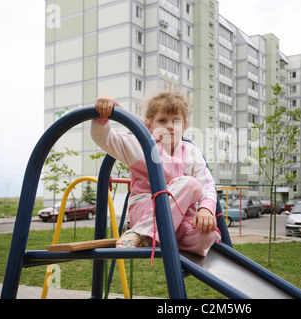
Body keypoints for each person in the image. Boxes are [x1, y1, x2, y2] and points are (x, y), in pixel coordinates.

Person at [91, 91, 220, 257]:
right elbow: (105, 138)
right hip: (146, 210)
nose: (170, 126)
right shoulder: (140, 146)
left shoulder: (192, 152)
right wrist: (103, 116)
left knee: (207, 234)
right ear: (149, 125)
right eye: (162, 120)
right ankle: (143, 234)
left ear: (185, 126)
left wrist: (206, 209)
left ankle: (180, 255)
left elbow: (207, 183)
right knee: (190, 183)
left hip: (180, 221)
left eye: (176, 121)